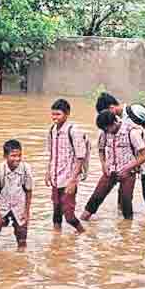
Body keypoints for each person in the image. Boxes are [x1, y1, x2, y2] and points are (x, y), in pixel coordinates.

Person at [96, 92, 145, 214]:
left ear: (111, 108)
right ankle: (122, 217)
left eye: (106, 113)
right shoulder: (115, 121)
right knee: (123, 184)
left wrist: (144, 131)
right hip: (129, 154)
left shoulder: (135, 110)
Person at [82, 109, 145, 221]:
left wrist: (127, 168)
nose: (107, 131)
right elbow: (101, 149)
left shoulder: (131, 132)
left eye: (108, 128)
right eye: (104, 129)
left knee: (126, 203)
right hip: (110, 171)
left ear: (114, 123)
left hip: (128, 173)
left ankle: (127, 230)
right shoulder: (104, 132)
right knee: (96, 197)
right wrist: (103, 165)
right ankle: (83, 220)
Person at [44, 98, 87, 233]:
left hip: (68, 179)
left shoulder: (74, 131)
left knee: (69, 216)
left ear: (67, 114)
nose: (54, 117)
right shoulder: (52, 130)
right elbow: (51, 154)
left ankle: (83, 233)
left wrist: (73, 181)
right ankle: (56, 240)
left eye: (58, 114)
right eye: (53, 114)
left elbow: (81, 157)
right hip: (56, 178)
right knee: (56, 213)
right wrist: (48, 172)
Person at [0, 139, 34, 251]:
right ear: (5, 156)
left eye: (19, 155)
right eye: (13, 156)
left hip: (19, 205)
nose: (17, 159)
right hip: (1, 204)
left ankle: (22, 260)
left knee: (22, 237)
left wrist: (26, 211)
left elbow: (28, 190)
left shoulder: (26, 169)